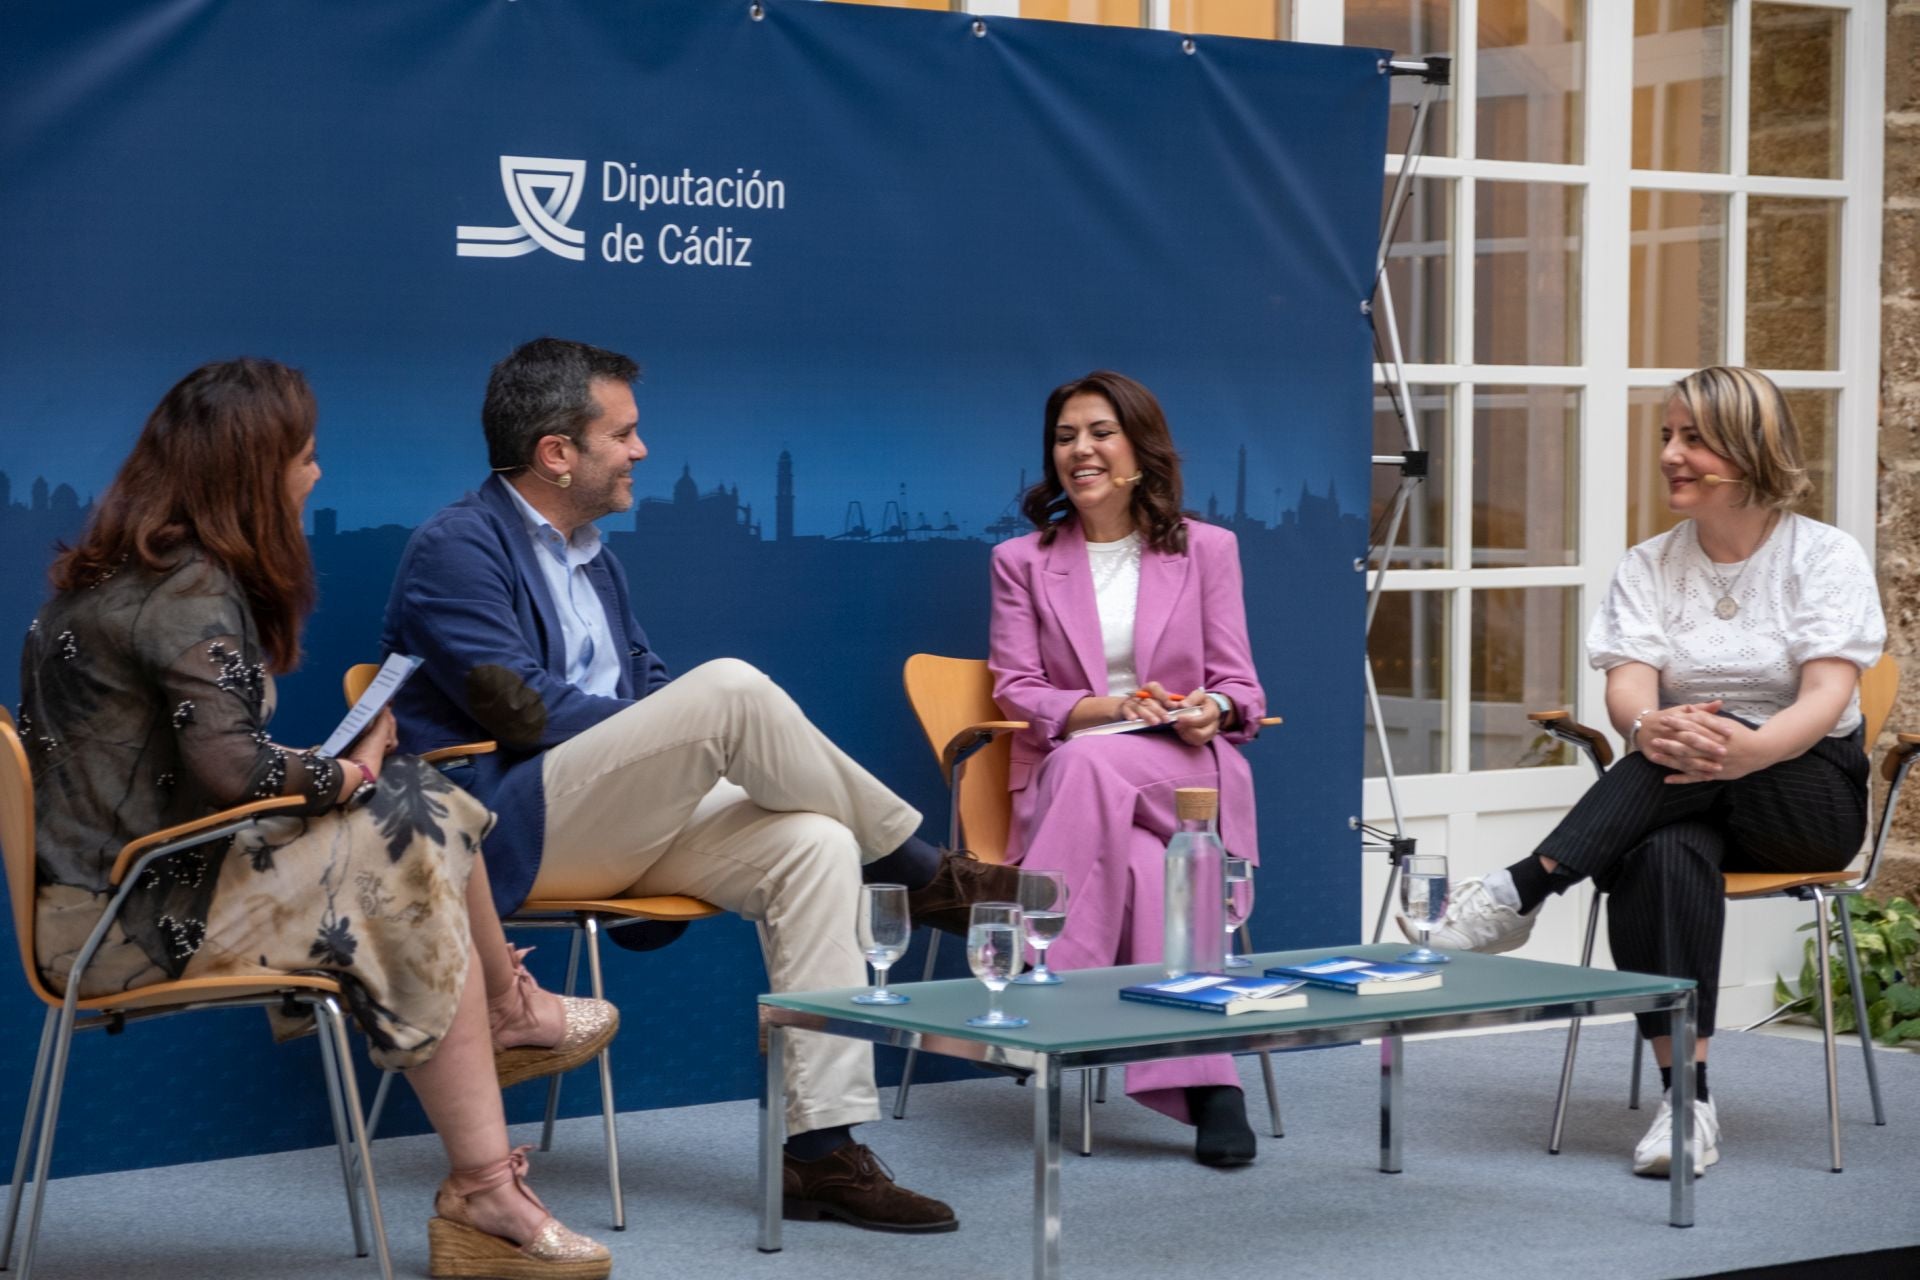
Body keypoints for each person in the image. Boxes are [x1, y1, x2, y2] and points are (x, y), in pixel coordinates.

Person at [381, 336, 1018, 1234]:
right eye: (625, 434)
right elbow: (522, 713)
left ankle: (821, 1151)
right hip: (514, 829)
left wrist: (673, 734)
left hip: (611, 814)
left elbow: (645, 690)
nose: (642, 451)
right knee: (725, 691)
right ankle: (927, 874)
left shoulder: (595, 555)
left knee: (816, 843)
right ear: (558, 452)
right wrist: (681, 730)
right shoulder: (453, 550)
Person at [19, 359, 620, 1278]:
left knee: (421, 811)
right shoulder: (187, 591)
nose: (316, 474)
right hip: (131, 920)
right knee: (413, 830)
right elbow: (230, 770)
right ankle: (486, 1173)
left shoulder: (111, 575)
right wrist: (347, 773)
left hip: (125, 888)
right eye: (303, 457)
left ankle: (499, 1080)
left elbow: (197, 768)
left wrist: (350, 776)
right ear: (250, 475)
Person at [1419, 366, 1885, 1177]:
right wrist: (1645, 722)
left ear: (1750, 447)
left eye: (1692, 438)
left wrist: (1749, 745)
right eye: (1667, 436)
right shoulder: (1649, 565)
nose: (1671, 453)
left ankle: (1528, 884)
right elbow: (1628, 684)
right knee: (1659, 853)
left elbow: (1826, 696)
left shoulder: (1823, 555)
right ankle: (1685, 1105)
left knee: (1711, 728)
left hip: (1804, 793)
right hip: (1683, 791)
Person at [987, 370, 1267, 1167]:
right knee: (1156, 866)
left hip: (1184, 771)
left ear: (1139, 450)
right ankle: (1214, 1088)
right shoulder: (1021, 561)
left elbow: (1242, 685)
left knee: (1090, 773)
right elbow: (1020, 689)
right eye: (1066, 436)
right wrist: (1113, 711)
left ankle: (1045, 991)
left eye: (1100, 433)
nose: (1081, 450)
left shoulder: (1208, 549)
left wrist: (1210, 708)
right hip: (1080, 775)